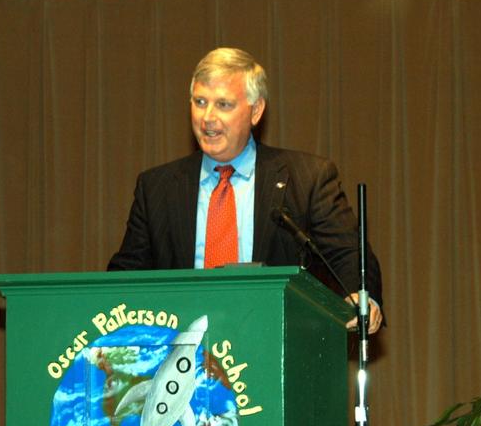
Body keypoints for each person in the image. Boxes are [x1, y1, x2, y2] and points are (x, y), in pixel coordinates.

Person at [107, 46, 384, 333]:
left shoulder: (307, 178)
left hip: (273, 338)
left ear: (256, 111)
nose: (208, 117)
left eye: (223, 105)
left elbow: (347, 253)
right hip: (183, 348)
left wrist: (359, 295)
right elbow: (125, 276)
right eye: (200, 102)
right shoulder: (157, 188)